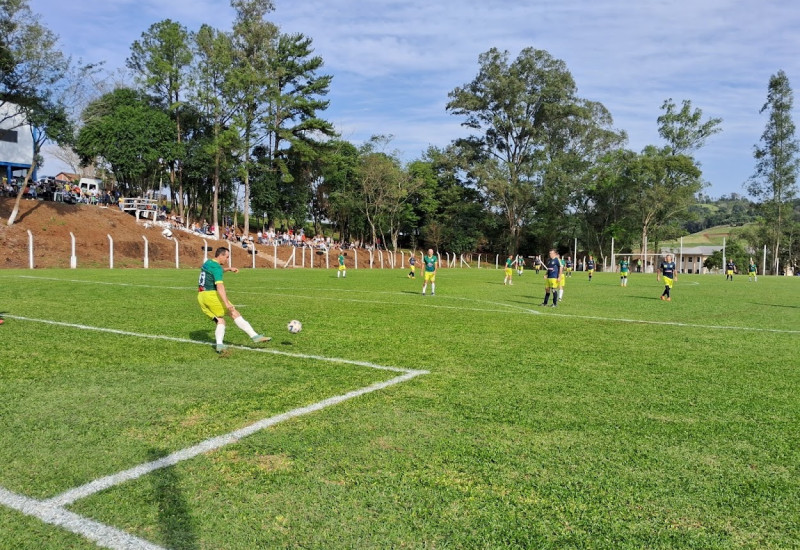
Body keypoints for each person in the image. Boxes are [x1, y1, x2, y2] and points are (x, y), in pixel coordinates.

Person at [197, 247, 271, 354]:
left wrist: (229, 269)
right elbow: (220, 286)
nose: (227, 259)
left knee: (220, 320)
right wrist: (226, 303)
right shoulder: (217, 268)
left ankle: (219, 345)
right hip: (211, 296)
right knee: (234, 313)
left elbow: (216, 269)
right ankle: (254, 336)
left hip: (201, 297)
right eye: (226, 257)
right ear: (221, 255)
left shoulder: (208, 262)